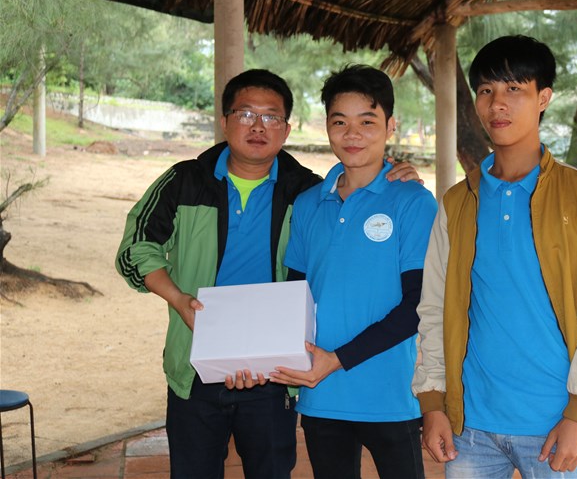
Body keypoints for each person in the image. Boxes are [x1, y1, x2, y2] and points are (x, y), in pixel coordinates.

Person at [115, 68, 418, 479]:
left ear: (287, 129)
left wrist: (396, 173)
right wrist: (178, 299)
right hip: (195, 365)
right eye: (245, 114)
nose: (258, 126)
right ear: (225, 121)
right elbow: (135, 249)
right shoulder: (186, 181)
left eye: (271, 117)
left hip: (275, 373)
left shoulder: (306, 192)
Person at [412, 35, 577, 479]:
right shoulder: (457, 202)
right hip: (471, 427)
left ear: (543, 98)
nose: (497, 103)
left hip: (556, 422)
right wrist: (432, 401)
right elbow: (434, 308)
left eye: (514, 89)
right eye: (486, 90)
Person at [266, 65, 437, 479]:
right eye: (340, 122)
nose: (352, 134)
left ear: (391, 126)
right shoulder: (309, 203)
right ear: (326, 126)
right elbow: (296, 295)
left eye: (368, 122)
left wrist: (338, 359)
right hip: (321, 393)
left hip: (390, 395)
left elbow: (417, 305)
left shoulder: (413, 202)